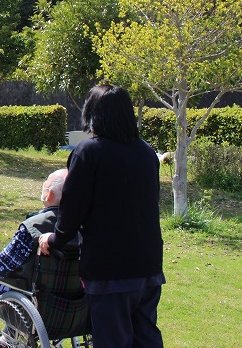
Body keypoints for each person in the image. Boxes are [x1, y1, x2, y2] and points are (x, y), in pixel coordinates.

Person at [39, 84, 165, 348]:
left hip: (111, 270)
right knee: (146, 337)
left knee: (112, 340)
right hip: (148, 263)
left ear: (93, 115)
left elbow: (72, 210)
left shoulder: (89, 153)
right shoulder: (146, 153)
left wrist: (54, 239)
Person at [0, 168, 70, 348]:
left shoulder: (34, 226)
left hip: (35, 310)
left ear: (49, 194)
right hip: (73, 309)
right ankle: (8, 335)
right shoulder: (85, 226)